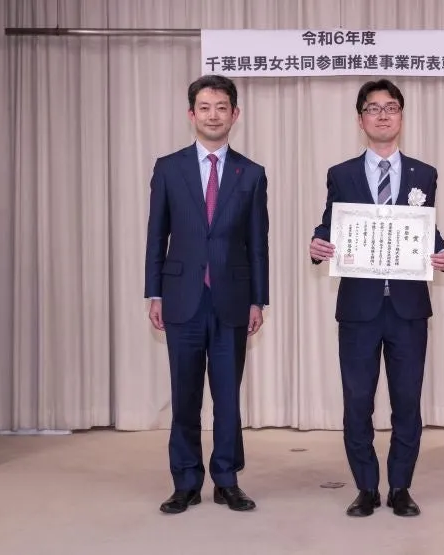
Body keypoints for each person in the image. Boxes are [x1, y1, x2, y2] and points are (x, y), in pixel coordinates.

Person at [309, 79, 444, 517]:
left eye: (391, 107)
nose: (383, 115)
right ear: (361, 120)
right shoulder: (342, 174)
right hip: (359, 309)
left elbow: (424, 229)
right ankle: (367, 488)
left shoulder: (423, 174)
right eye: (373, 108)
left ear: (401, 116)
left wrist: (442, 252)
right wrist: (318, 244)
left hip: (408, 309)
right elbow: (331, 223)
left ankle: (401, 487)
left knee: (407, 401)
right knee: (357, 402)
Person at [144, 74, 269, 515]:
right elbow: (156, 234)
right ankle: (185, 482)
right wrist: (154, 293)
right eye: (205, 107)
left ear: (235, 114)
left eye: (221, 107)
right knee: (185, 397)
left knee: (228, 399)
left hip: (232, 300)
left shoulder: (251, 173)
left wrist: (258, 299)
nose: (213, 115)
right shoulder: (168, 168)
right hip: (181, 299)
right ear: (191, 114)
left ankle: (227, 480)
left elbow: (258, 243)